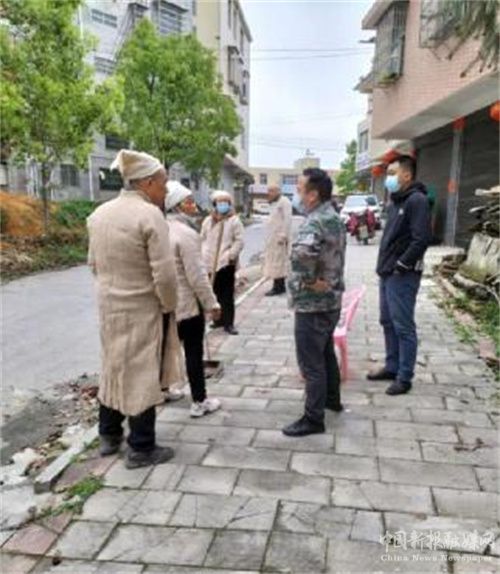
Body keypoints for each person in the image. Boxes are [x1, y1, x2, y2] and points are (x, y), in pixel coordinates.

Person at [87, 149, 182, 469]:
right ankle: (141, 447)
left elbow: (92, 263)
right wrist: (169, 305)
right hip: (142, 308)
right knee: (142, 373)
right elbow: (165, 275)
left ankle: (109, 435)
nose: (166, 191)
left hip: (109, 309)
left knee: (112, 367)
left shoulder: (99, 214)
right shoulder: (150, 215)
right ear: (148, 182)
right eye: (164, 184)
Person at [283, 168, 346, 437]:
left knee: (311, 363)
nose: (296, 194)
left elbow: (302, 256)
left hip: (312, 304)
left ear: (313, 195)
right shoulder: (334, 218)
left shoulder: (314, 222)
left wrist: (308, 281)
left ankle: (313, 418)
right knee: (325, 353)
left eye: (299, 189)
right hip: (332, 300)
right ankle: (332, 399)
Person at [367, 155, 431, 395]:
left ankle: (405, 377)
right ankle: (392, 366)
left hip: (402, 275)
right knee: (387, 321)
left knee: (403, 325)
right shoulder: (396, 201)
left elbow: (421, 239)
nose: (389, 178)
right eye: (388, 173)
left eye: (393, 173)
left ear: (407, 174)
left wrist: (402, 265)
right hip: (387, 272)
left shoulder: (417, 200)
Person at [165, 181, 222, 418]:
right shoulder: (186, 234)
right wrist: (212, 304)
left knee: (166, 350)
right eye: (188, 202)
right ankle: (199, 401)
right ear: (177, 206)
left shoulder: (158, 228)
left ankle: (163, 390)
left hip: (165, 303)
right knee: (193, 353)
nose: (193, 205)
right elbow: (197, 276)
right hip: (187, 305)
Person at [201, 190, 244, 335]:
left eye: (225, 202)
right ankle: (218, 320)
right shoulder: (208, 221)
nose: (223, 205)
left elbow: (239, 240)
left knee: (227, 295)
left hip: (226, 262)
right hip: (209, 262)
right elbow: (202, 239)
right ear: (215, 204)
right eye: (220, 202)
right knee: (214, 293)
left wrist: (231, 255)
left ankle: (229, 323)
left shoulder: (234, 220)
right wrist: (202, 254)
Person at [263, 184, 293, 296]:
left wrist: (283, 235)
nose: (269, 193)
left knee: (279, 263)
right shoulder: (274, 203)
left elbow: (287, 220)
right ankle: (278, 285)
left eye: (271, 191)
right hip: (273, 238)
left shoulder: (284, 202)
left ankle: (279, 287)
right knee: (274, 262)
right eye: (268, 191)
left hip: (280, 238)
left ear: (278, 191)